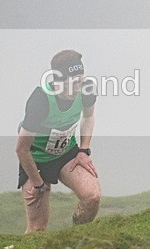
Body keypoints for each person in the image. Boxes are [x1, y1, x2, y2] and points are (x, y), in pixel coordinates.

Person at [15, 50, 101, 233]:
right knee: (37, 228)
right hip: (35, 160)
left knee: (92, 197)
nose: (77, 87)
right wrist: (38, 184)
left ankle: (76, 237)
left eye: (80, 80)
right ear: (57, 80)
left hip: (66, 154)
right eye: (71, 82)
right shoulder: (40, 100)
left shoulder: (86, 88)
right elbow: (22, 149)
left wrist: (83, 151)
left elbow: (89, 116)